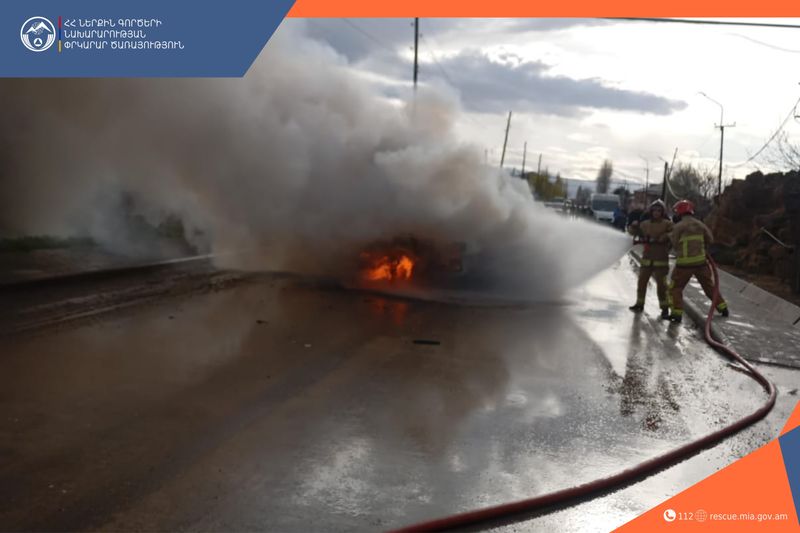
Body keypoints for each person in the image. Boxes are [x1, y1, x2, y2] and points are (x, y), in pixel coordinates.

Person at [666, 199, 729, 323]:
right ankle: (723, 308)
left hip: (684, 265)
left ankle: (676, 314)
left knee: (675, 288)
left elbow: (674, 244)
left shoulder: (678, 227)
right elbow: (710, 239)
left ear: (679, 213)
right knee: (709, 287)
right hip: (701, 263)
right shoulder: (700, 224)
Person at [628, 199, 673, 318]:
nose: (656, 212)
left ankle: (664, 308)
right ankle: (639, 304)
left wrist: (664, 237)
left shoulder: (667, 224)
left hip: (661, 259)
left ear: (662, 212)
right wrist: (633, 226)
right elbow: (634, 232)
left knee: (662, 287)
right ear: (651, 211)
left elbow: (673, 234)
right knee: (641, 283)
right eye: (654, 210)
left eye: (659, 210)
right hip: (647, 259)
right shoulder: (645, 224)